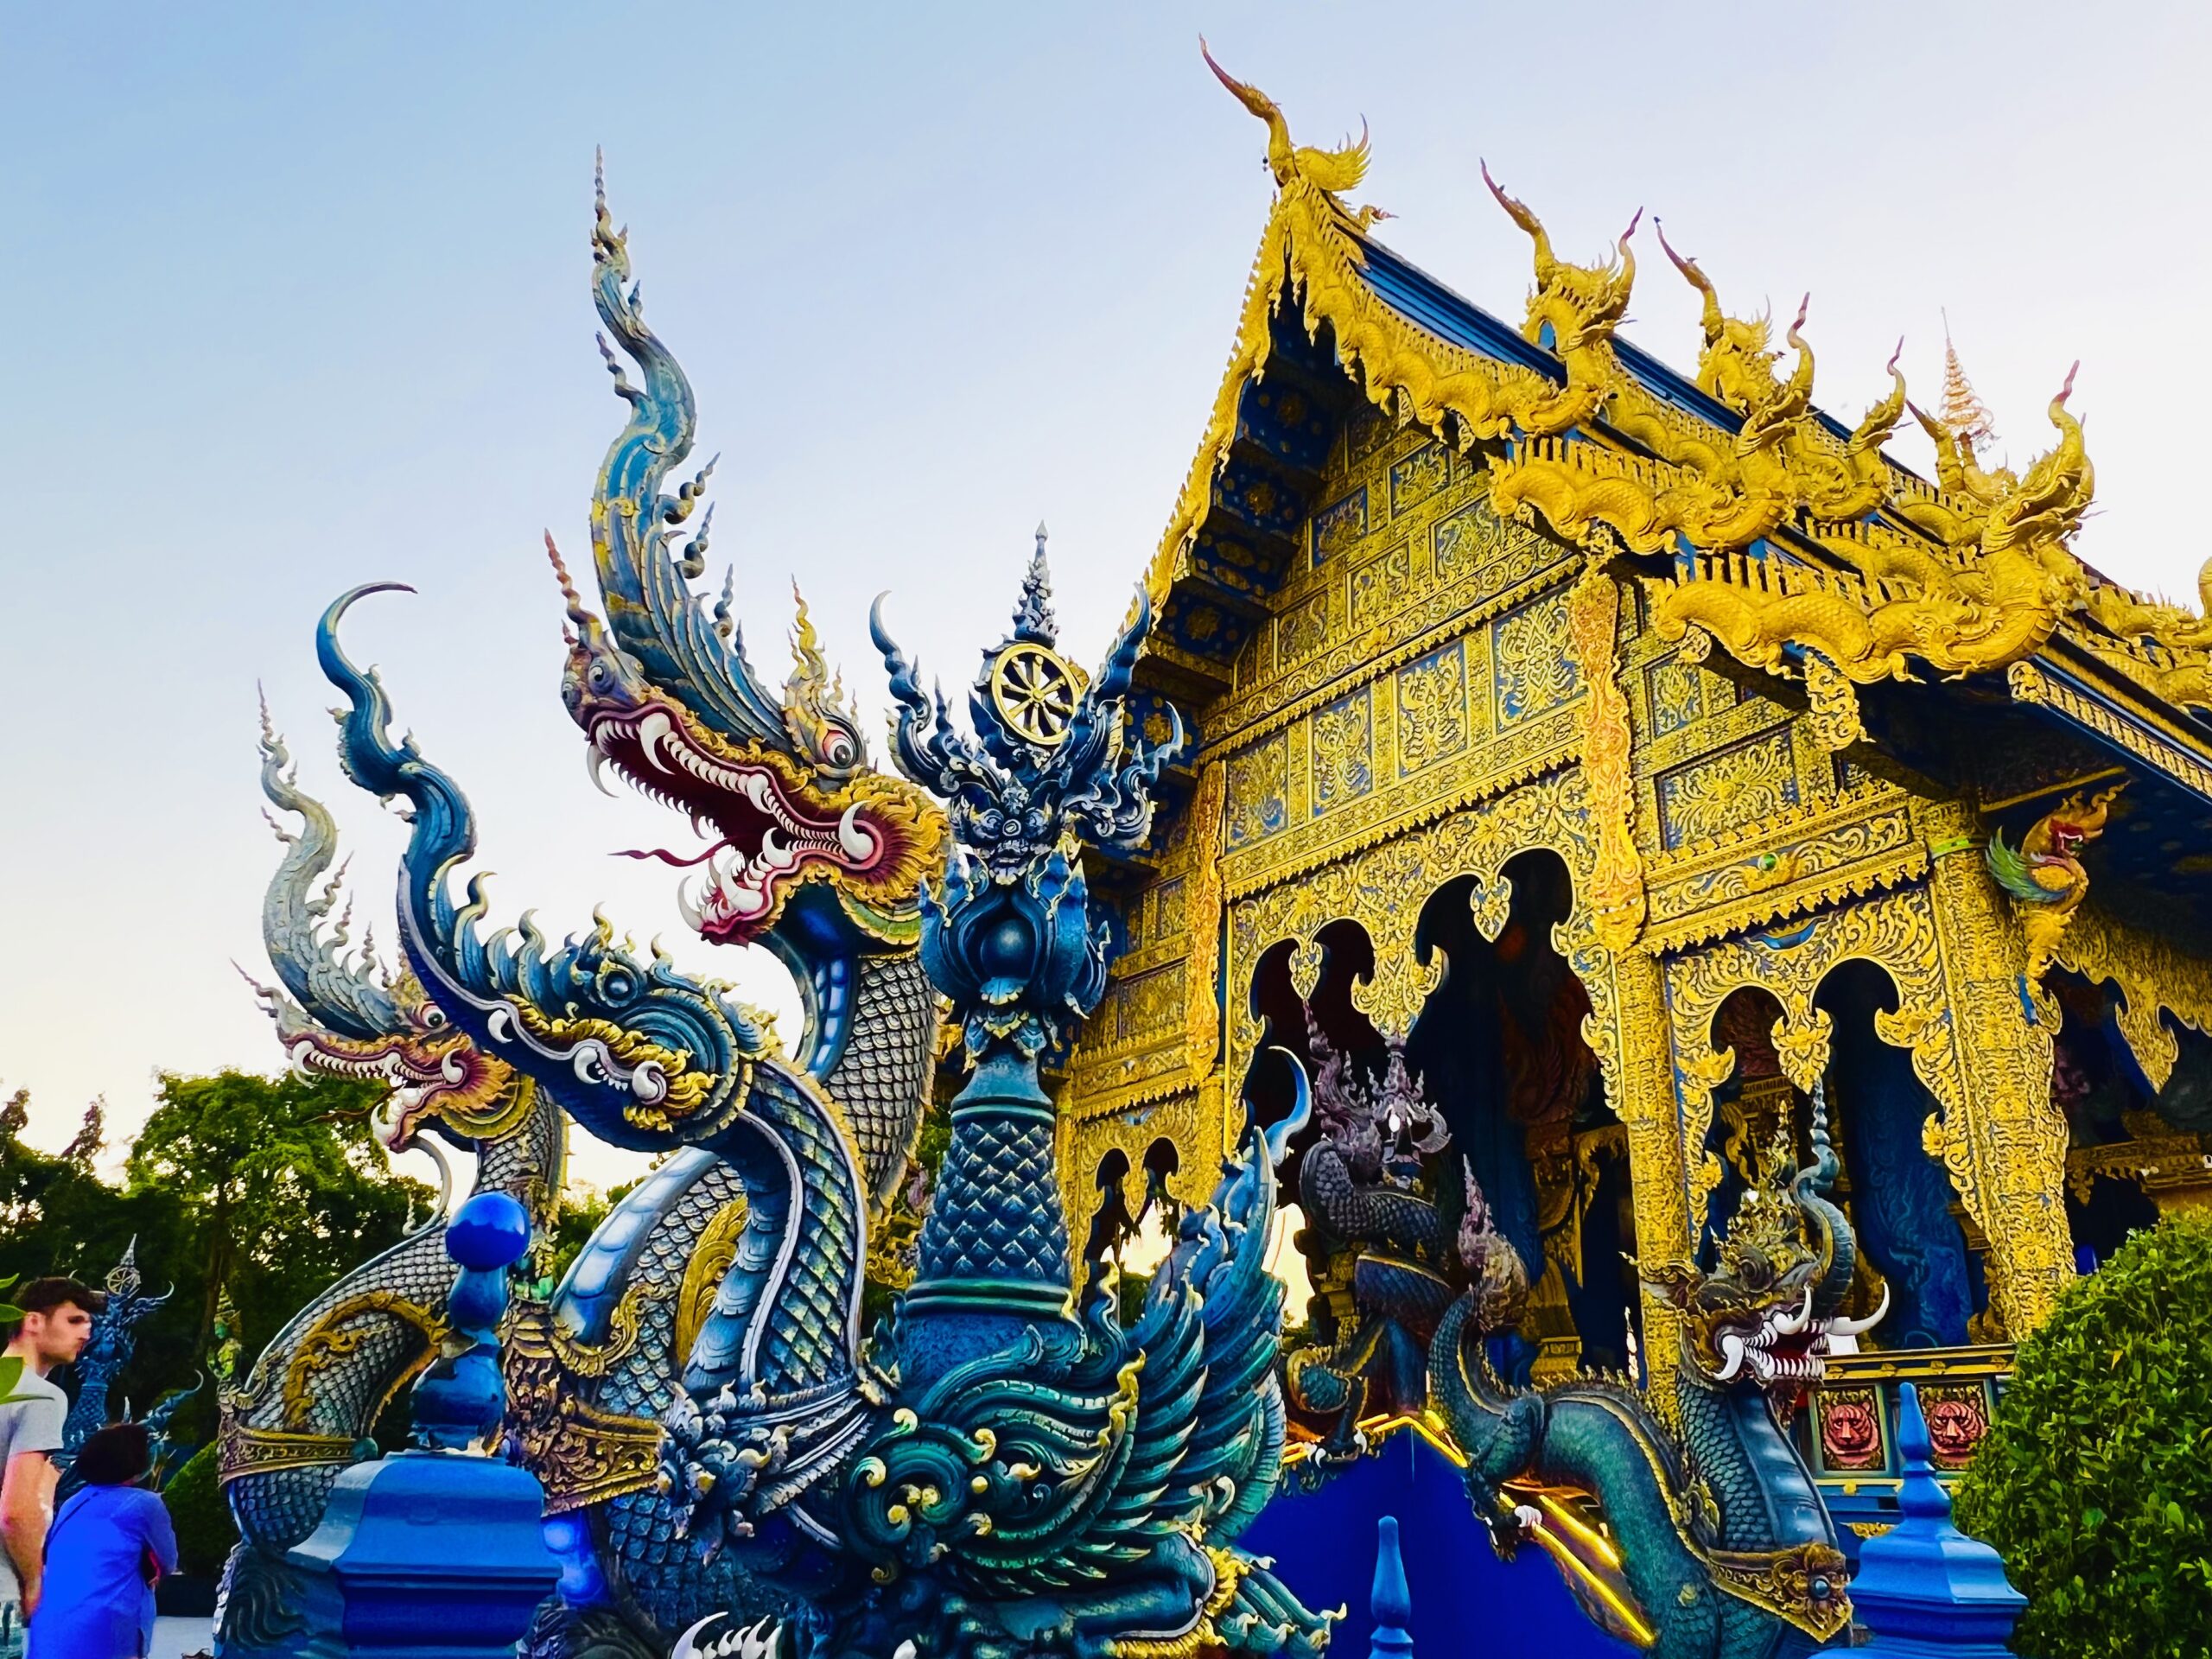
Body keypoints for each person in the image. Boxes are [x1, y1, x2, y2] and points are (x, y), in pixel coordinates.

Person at [0, 1280, 99, 1654]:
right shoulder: (40, 1395)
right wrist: (34, 1583)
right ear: (33, 1322)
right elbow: (16, 1512)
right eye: (74, 1320)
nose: (86, 1333)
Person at [28, 1423, 177, 1659]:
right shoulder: (146, 1504)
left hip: (48, 1627)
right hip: (108, 1626)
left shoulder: (73, 1502)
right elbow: (168, 1561)